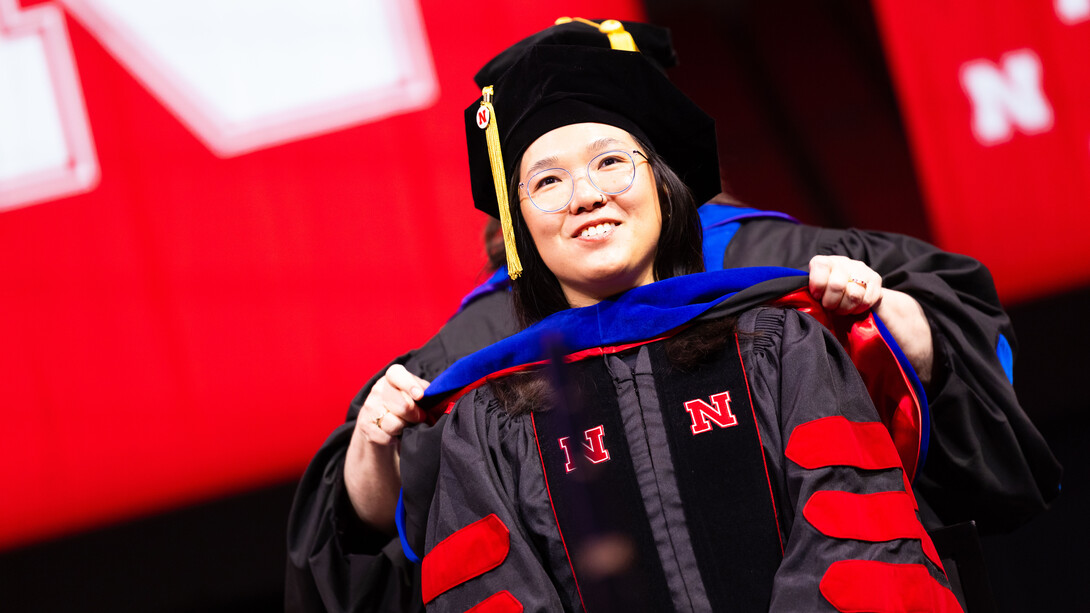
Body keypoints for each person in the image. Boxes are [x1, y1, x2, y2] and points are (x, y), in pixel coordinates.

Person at [284, 19, 1060, 612]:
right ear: (518, 206)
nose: (586, 193)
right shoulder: (477, 364)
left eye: (609, 158)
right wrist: (375, 447)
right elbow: (383, 547)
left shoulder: (776, 288)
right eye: (547, 177)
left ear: (657, 165)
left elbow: (904, 474)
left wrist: (876, 318)